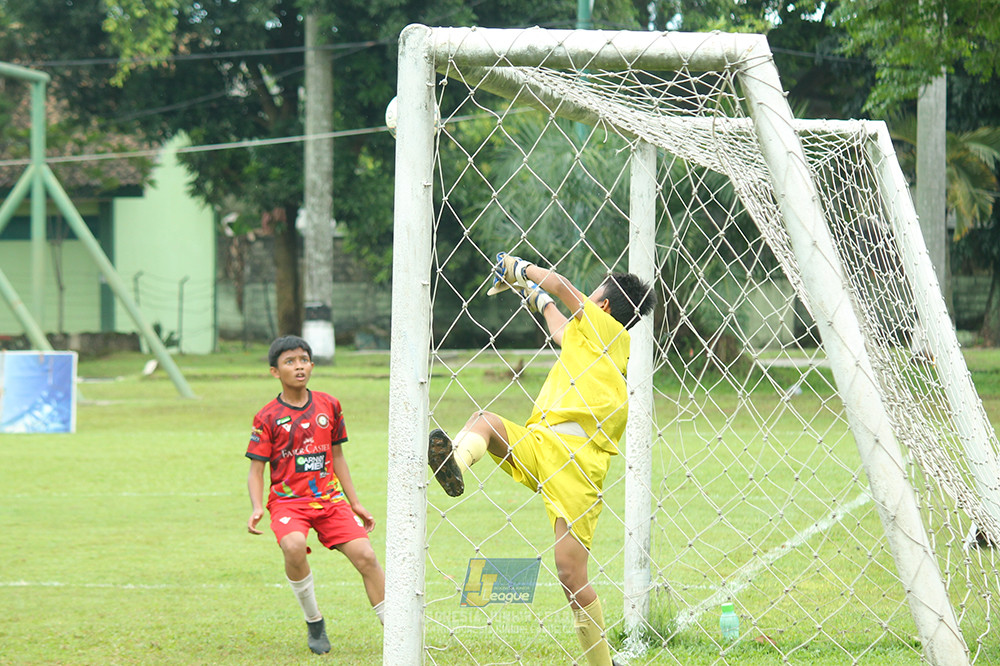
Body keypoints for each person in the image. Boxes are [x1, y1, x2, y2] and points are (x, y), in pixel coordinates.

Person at [428, 253, 655, 666]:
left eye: (592, 296)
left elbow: (563, 287)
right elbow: (560, 326)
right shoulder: (588, 340)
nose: (584, 300)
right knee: (485, 421)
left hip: (579, 467)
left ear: (603, 306)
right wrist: (536, 297)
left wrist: (520, 268)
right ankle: (453, 465)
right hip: (543, 442)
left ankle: (602, 663)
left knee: (570, 574)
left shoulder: (611, 334)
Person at [246, 335, 385, 654]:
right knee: (294, 545)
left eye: (304, 360)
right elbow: (256, 471)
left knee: (366, 556)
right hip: (288, 503)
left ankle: (396, 630)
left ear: (311, 365)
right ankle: (314, 621)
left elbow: (337, 457)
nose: (299, 367)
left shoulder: (329, 405)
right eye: (289, 362)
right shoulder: (267, 417)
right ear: (275, 371)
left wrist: (355, 502)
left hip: (329, 500)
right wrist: (257, 507)